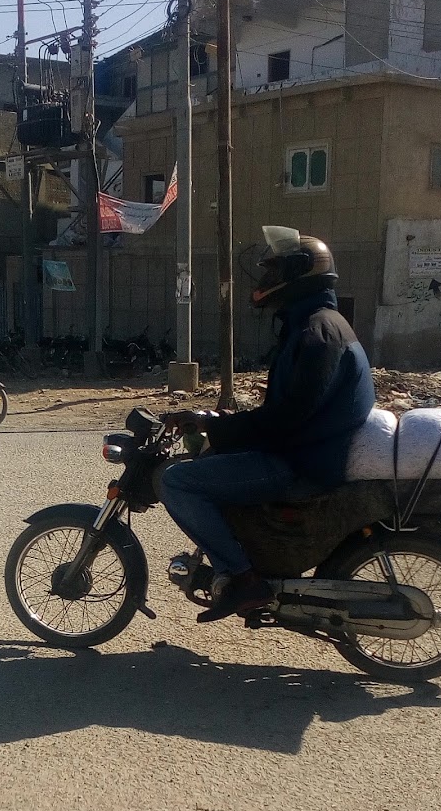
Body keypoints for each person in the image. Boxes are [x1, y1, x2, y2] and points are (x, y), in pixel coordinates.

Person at [160, 226, 375, 623]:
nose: (265, 282)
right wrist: (215, 422)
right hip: (305, 450)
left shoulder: (317, 333)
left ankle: (243, 579)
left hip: (301, 463)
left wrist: (219, 429)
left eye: (275, 273)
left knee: (177, 481)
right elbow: (288, 410)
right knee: (213, 460)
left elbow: (288, 417)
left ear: (299, 274)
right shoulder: (316, 324)